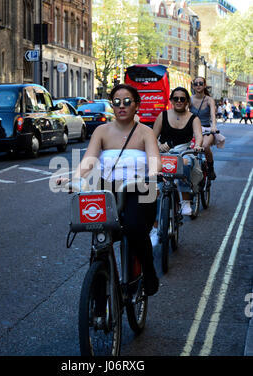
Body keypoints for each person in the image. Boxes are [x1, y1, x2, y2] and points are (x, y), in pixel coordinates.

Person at [57, 84, 162, 296]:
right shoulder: (101, 131)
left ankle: (148, 271)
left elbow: (155, 162)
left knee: (133, 228)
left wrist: (152, 177)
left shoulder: (145, 132)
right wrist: (75, 178)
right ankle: (97, 298)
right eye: (116, 102)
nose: (121, 106)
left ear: (137, 106)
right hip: (108, 189)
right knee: (99, 238)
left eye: (127, 102)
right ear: (112, 106)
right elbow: (88, 160)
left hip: (139, 189)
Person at [152, 86, 203, 223]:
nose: (179, 101)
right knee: (154, 188)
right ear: (171, 100)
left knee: (185, 163)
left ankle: (185, 201)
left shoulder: (194, 118)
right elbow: (152, 137)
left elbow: (199, 136)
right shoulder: (162, 116)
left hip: (184, 153)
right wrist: (158, 145)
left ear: (187, 102)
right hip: (164, 153)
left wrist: (197, 146)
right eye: (176, 98)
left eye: (182, 99)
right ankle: (155, 226)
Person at [190, 77, 218, 180]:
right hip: (192, 129)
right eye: (196, 83)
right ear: (193, 86)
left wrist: (213, 126)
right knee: (187, 149)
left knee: (205, 146)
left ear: (204, 85)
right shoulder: (190, 99)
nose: (198, 85)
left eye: (201, 83)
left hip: (207, 130)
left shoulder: (209, 100)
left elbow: (213, 115)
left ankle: (210, 168)